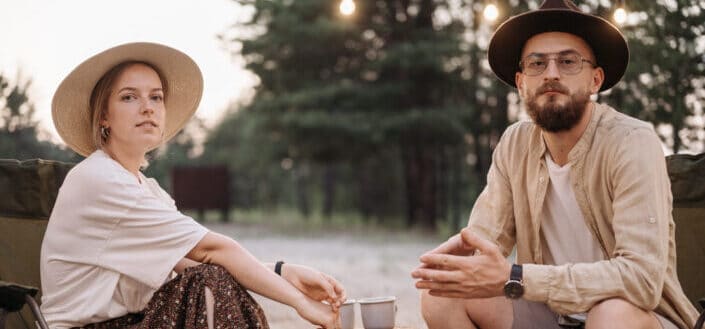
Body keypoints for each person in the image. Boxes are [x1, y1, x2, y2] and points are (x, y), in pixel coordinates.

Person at [411, 1, 699, 329]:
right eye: (537, 63)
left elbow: (642, 281)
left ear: (595, 79)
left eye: (567, 61)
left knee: (610, 315)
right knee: (442, 294)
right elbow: (486, 238)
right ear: (521, 82)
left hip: (636, 317)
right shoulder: (514, 143)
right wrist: (455, 263)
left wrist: (517, 276)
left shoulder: (632, 141)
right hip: (553, 314)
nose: (551, 73)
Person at [40, 42, 345, 329]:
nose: (147, 107)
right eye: (129, 96)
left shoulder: (150, 191)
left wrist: (283, 271)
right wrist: (300, 302)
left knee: (209, 278)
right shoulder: (98, 179)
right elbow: (213, 250)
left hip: (133, 321)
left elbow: (189, 263)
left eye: (156, 97)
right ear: (103, 116)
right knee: (209, 282)